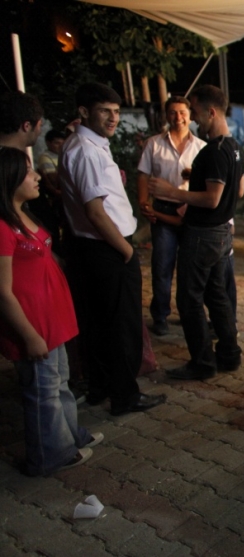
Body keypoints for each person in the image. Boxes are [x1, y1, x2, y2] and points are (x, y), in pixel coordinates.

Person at [60, 83, 165, 416]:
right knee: (122, 326)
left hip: (98, 248)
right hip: (107, 248)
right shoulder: (86, 150)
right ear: (84, 112)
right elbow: (94, 211)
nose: (113, 118)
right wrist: (127, 251)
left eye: (117, 111)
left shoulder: (88, 144)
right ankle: (124, 396)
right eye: (105, 110)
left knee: (103, 324)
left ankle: (102, 386)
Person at [0, 148, 103, 476]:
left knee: (60, 384)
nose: (37, 177)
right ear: (8, 179)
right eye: (28, 172)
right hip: (32, 325)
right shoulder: (2, 227)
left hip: (52, 319)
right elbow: (2, 292)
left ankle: (70, 436)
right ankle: (49, 455)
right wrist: (28, 335)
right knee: (42, 391)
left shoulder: (23, 214)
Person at [148, 85, 244, 380]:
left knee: (189, 300)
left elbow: (212, 198)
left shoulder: (213, 151)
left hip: (203, 233)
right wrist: (198, 176)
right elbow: (236, 190)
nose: (192, 119)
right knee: (216, 295)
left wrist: (170, 192)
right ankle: (229, 355)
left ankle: (202, 363)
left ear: (211, 112)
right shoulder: (234, 147)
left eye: (195, 111)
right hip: (220, 233)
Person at [137, 96, 206, 336]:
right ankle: (161, 315)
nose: (178, 117)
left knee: (190, 269)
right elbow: (143, 174)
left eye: (182, 112)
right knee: (162, 265)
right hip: (163, 210)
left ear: (190, 115)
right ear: (167, 116)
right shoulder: (153, 144)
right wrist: (143, 201)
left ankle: (188, 313)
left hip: (192, 211)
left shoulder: (201, 147)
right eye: (173, 113)